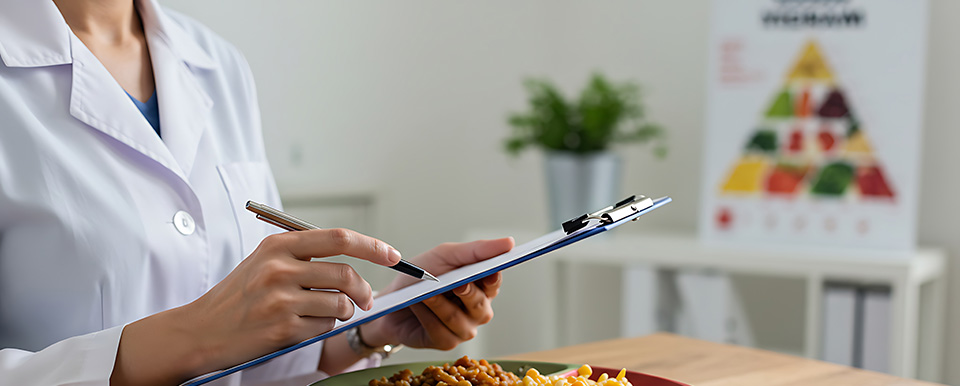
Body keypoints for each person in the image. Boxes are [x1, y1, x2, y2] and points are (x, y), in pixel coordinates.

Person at [0, 0, 514, 385]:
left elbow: (255, 357)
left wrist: (369, 326)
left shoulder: (217, 64)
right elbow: (212, 333)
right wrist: (188, 338)